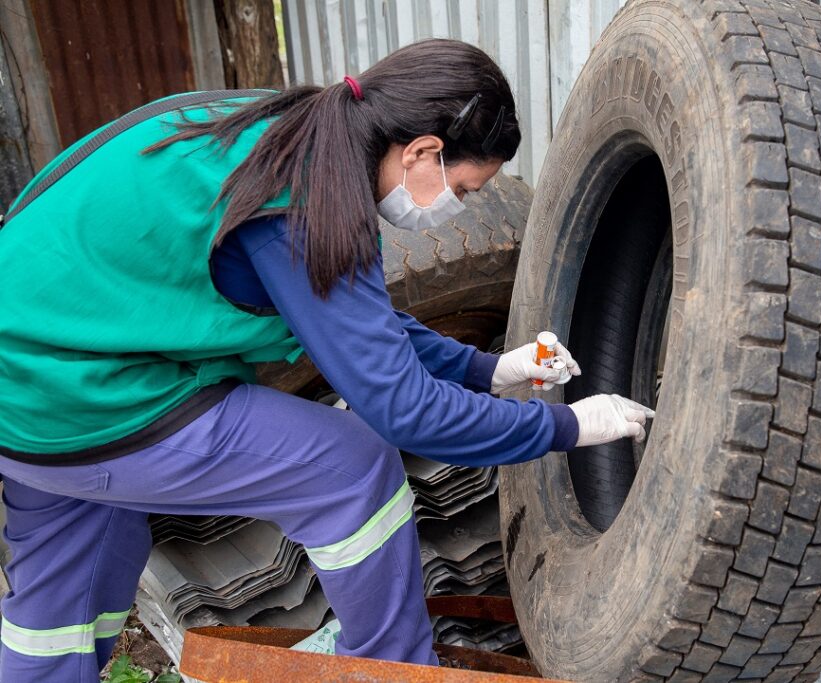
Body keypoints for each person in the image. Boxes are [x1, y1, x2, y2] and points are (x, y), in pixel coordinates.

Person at [0, 38, 653, 680]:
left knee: (63, 596)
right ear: (425, 151)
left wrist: (490, 369)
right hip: (75, 387)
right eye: (468, 188)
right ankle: (396, 671)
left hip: (28, 366)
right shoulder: (308, 198)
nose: (464, 204)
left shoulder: (297, 135)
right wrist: (569, 427)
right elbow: (405, 411)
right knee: (350, 468)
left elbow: (362, 328)